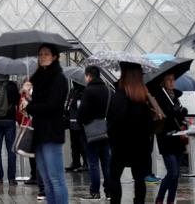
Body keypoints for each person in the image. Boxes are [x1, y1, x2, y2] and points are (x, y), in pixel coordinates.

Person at [25, 44, 69, 204]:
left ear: (55, 57)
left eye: (46, 54)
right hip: (39, 133)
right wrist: (27, 94)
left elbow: (52, 106)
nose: (42, 57)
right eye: (40, 54)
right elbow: (38, 105)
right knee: (46, 179)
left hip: (52, 133)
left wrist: (31, 106)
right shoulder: (38, 79)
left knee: (56, 178)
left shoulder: (59, 79)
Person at [106, 63, 156, 204]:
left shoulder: (121, 93)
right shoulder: (144, 95)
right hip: (141, 145)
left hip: (121, 144)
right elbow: (149, 122)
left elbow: (115, 120)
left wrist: (112, 137)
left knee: (114, 176)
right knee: (139, 178)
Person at [151, 73, 188, 204]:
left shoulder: (175, 97)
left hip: (178, 139)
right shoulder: (160, 97)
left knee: (176, 175)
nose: (172, 82)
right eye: (169, 80)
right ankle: (160, 198)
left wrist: (183, 117)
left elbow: (179, 116)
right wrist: (176, 113)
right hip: (166, 139)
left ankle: (170, 200)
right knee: (172, 172)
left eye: (173, 80)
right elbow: (164, 117)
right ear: (163, 82)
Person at [78, 66, 112, 200]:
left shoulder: (88, 91)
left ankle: (95, 192)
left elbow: (81, 113)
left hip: (90, 133)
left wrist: (82, 123)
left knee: (93, 163)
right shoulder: (109, 91)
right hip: (106, 132)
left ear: (89, 76)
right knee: (106, 162)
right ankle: (109, 192)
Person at [67, 80, 88, 173]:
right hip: (72, 121)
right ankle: (75, 162)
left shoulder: (84, 91)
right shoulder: (72, 91)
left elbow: (80, 106)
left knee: (83, 143)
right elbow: (69, 104)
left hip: (81, 123)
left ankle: (86, 163)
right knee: (74, 144)